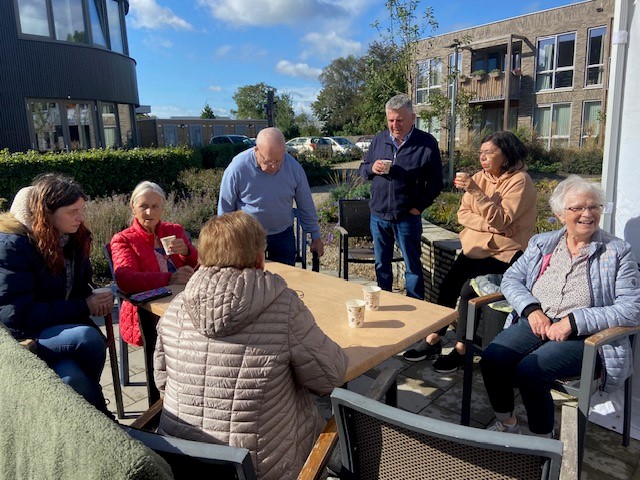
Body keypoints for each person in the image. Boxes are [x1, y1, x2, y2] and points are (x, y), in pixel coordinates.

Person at [154, 211, 348, 480]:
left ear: (203, 256)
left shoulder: (174, 308)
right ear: (259, 257)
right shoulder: (284, 306)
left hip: (183, 463)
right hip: (262, 469)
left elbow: (162, 381)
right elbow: (330, 378)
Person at [481, 175, 640, 436]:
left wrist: (574, 321)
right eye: (577, 208)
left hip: (586, 336)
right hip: (539, 320)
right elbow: (511, 279)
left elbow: (631, 309)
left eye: (594, 207)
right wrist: (531, 310)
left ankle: (543, 439)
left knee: (531, 370)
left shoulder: (618, 251)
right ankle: (507, 423)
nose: (587, 214)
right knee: (493, 358)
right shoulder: (544, 243)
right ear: (560, 213)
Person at [403, 131, 537, 372]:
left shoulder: (520, 181)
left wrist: (477, 192)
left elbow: (502, 220)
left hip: (504, 253)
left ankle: (462, 349)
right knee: (448, 285)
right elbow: (462, 214)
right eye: (481, 153)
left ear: (506, 155)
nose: (482, 158)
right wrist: (487, 225)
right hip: (476, 247)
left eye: (488, 153)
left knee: (468, 292)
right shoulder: (480, 177)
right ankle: (434, 338)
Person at [0, 174, 113, 413]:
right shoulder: (14, 247)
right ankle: (105, 419)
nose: (80, 218)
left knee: (73, 380)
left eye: (82, 209)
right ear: (47, 213)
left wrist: (97, 299)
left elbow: (78, 287)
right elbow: (16, 316)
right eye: (72, 211)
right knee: (88, 338)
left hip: (58, 326)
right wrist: (85, 306)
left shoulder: (71, 238)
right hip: (26, 334)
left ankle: (96, 419)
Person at [359, 93, 443, 300]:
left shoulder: (426, 143)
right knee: (381, 264)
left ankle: (416, 310)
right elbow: (362, 170)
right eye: (390, 120)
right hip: (379, 216)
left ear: (412, 118)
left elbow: (436, 183)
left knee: (412, 266)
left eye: (399, 120)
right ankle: (384, 303)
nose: (394, 125)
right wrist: (372, 168)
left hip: (407, 216)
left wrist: (418, 207)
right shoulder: (379, 139)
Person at [217, 127, 324, 266]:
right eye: (268, 161)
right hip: (248, 236)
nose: (275, 167)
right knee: (250, 281)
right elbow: (225, 208)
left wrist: (316, 236)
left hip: (282, 234)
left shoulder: (294, 168)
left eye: (279, 160)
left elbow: (306, 204)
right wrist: (224, 240)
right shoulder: (237, 168)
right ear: (256, 150)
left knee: (286, 280)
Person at [110, 181, 198, 346]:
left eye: (155, 206)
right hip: (148, 311)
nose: (149, 212)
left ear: (162, 208)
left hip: (185, 299)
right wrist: (169, 279)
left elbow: (200, 265)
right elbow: (125, 279)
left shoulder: (174, 230)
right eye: (144, 206)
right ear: (133, 207)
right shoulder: (124, 239)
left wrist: (187, 252)